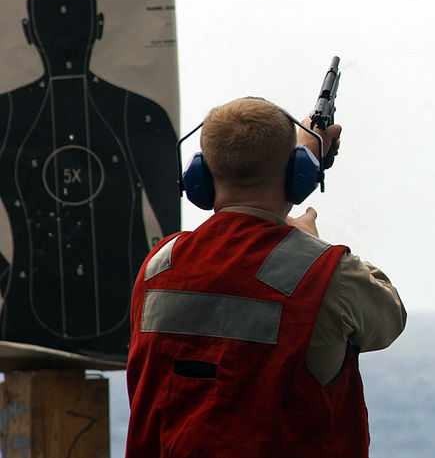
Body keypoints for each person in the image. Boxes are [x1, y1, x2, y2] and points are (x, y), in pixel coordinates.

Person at [125, 97, 406, 457]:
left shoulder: (158, 267)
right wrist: (308, 243)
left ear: (200, 177)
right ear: (298, 176)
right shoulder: (325, 274)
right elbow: (389, 318)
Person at [0, 0, 178, 361]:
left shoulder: (6, 116)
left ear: (29, 31)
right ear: (98, 26)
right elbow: (172, 239)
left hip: (29, 311)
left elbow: (172, 233)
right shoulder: (140, 113)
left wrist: (8, 280)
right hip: (125, 314)